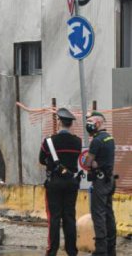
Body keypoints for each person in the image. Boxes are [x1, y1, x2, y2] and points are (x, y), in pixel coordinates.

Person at [38, 107, 81, 256]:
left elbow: (41, 159)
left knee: (54, 218)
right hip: (71, 183)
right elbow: (78, 160)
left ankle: (52, 251)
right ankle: (71, 251)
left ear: (59, 122)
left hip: (54, 183)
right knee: (69, 216)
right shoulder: (77, 142)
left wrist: (52, 163)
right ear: (71, 124)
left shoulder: (49, 141)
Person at [83, 111, 116, 256]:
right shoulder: (109, 137)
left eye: (90, 121)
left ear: (98, 123)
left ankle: (101, 251)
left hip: (101, 182)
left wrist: (91, 162)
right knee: (109, 214)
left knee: (99, 215)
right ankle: (111, 249)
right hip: (110, 180)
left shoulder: (96, 141)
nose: (88, 124)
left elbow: (87, 162)